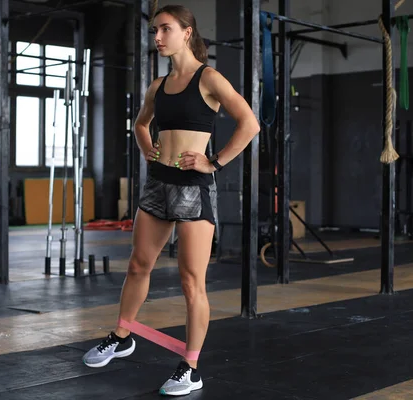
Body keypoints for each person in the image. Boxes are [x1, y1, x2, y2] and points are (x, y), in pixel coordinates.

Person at [82, 4, 260, 396]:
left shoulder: (209, 78)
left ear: (187, 32)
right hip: (158, 183)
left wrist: (214, 161)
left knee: (191, 281)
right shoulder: (157, 87)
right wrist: (149, 148)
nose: (158, 37)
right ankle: (122, 335)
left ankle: (190, 367)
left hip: (194, 188)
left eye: (164, 29)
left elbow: (250, 123)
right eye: (154, 31)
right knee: (138, 265)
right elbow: (140, 124)